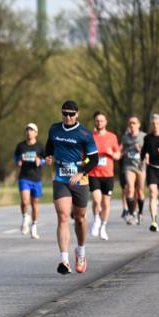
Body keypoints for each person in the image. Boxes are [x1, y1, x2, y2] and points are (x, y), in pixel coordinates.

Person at [44, 100, 98, 274]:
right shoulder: (54, 129)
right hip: (61, 178)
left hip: (80, 179)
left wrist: (81, 173)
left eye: (71, 114)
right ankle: (64, 260)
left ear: (77, 114)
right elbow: (49, 148)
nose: (67, 117)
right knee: (63, 216)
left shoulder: (84, 133)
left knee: (80, 217)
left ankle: (80, 251)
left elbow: (94, 159)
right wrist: (48, 157)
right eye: (64, 114)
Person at [89, 111, 121, 241]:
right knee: (97, 200)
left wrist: (111, 153)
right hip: (93, 173)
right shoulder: (90, 137)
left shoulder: (112, 137)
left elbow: (118, 156)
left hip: (107, 174)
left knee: (106, 203)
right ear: (95, 122)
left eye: (101, 121)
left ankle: (103, 227)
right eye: (97, 121)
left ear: (106, 122)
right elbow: (84, 154)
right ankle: (96, 219)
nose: (99, 123)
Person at [14, 122, 45, 239]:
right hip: (24, 177)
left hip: (36, 178)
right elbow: (16, 157)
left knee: (35, 203)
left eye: (31, 130)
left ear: (36, 133)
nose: (29, 132)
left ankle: (34, 226)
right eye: (27, 130)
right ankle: (24, 217)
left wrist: (40, 162)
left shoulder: (40, 147)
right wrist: (18, 162)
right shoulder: (21, 146)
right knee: (25, 201)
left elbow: (46, 160)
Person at [120, 115, 147, 225]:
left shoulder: (144, 137)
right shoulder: (125, 137)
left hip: (141, 166)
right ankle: (131, 214)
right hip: (129, 166)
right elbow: (121, 150)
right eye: (130, 123)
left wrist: (140, 150)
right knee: (130, 188)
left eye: (134, 123)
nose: (132, 125)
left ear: (139, 125)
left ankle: (140, 213)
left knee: (140, 191)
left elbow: (148, 153)